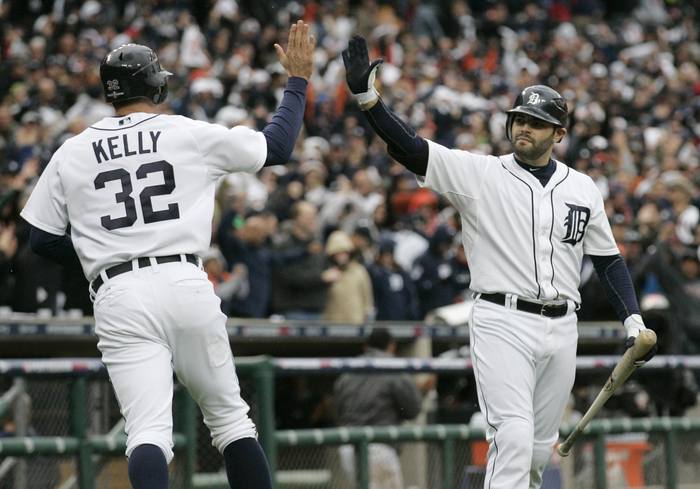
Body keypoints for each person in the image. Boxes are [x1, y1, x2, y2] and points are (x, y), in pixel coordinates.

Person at [341, 34, 657, 489]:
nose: (524, 128)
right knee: (512, 436)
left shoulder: (583, 187)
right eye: (519, 119)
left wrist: (631, 320)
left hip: (563, 326)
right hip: (501, 318)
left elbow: (608, 261)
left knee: (535, 455)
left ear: (559, 134)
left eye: (536, 122)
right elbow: (411, 148)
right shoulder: (482, 174)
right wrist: (369, 101)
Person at [20, 22, 315, 489]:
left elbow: (39, 238)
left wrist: (100, 259)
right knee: (231, 422)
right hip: (184, 280)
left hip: (118, 292)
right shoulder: (185, 132)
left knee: (147, 433)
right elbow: (277, 145)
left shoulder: (71, 151)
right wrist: (297, 81)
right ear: (155, 85)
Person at [333, 328, 435, 489]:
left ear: (367, 347)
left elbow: (338, 411)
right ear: (392, 347)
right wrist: (420, 392)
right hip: (377, 448)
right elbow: (412, 410)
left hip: (347, 448)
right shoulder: (392, 366)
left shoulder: (349, 369)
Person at [322, 229, 374, 324]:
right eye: (338, 253)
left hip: (356, 322)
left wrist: (368, 316)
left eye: (344, 252)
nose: (342, 256)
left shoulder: (359, 271)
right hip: (333, 323)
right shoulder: (326, 273)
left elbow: (367, 297)